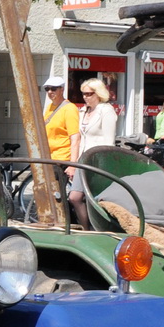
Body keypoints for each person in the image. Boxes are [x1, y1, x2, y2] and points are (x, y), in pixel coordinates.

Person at [68, 78, 117, 227]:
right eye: (83, 94)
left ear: (98, 93)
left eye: (89, 94)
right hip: (83, 158)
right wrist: (74, 162)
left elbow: (109, 141)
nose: (85, 97)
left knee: (93, 198)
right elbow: (80, 138)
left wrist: (104, 164)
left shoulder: (106, 110)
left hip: (98, 160)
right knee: (75, 197)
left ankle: (97, 228)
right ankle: (86, 228)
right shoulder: (83, 111)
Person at [42, 74, 80, 162]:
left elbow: (75, 138)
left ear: (62, 89)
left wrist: (72, 164)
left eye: (53, 89)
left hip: (62, 159)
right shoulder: (49, 107)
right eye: (47, 89)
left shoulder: (70, 108)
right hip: (48, 157)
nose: (50, 92)